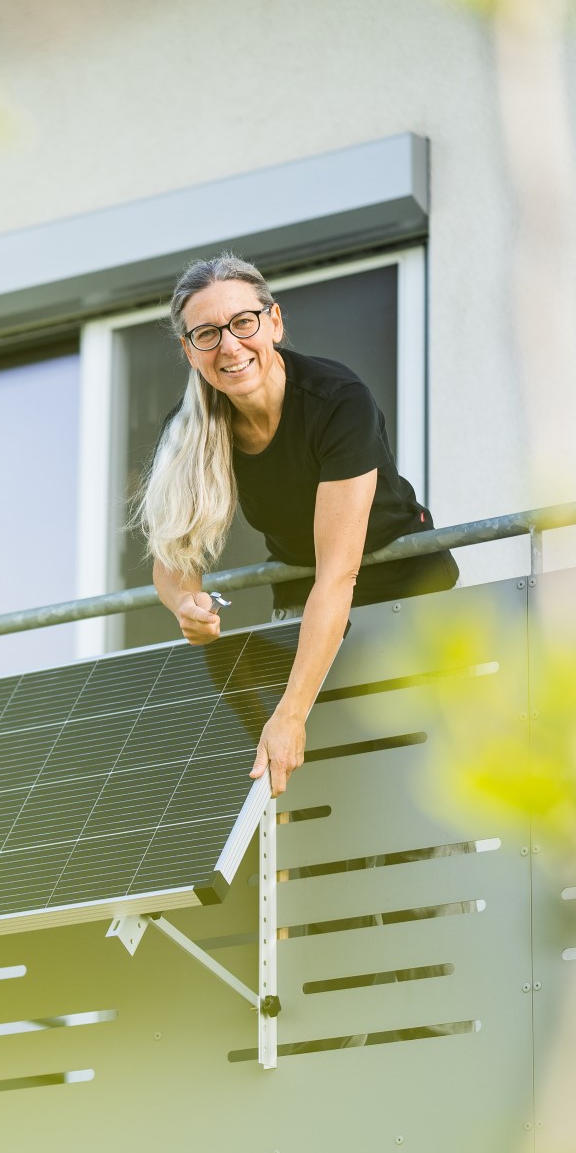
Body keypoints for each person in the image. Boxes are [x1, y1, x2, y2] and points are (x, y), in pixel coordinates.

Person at [137, 253, 457, 796]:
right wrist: (185, 604)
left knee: (412, 774)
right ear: (190, 352)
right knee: (326, 779)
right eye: (208, 334)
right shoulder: (188, 429)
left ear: (275, 322)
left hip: (404, 585)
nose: (230, 346)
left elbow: (339, 574)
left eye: (243, 322)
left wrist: (290, 713)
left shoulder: (338, 401)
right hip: (301, 589)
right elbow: (172, 565)